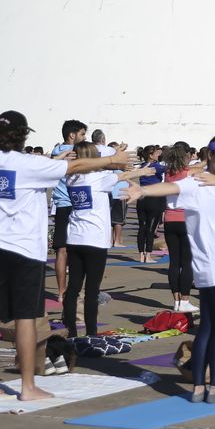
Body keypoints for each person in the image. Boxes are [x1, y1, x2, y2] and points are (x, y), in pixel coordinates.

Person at [0, 110, 129, 401]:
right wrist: (112, 161)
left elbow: (56, 167)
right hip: (23, 251)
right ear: (22, 135)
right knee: (25, 319)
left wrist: (55, 161)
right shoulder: (29, 164)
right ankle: (27, 387)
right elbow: (77, 166)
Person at [123, 135, 215, 404]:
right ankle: (213, 387)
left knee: (208, 327)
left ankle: (197, 387)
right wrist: (144, 191)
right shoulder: (196, 183)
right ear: (209, 155)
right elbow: (170, 188)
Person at [63, 142, 154, 337]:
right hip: (95, 239)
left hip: (75, 237)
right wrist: (143, 172)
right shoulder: (100, 178)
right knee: (92, 289)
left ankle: (70, 331)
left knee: (73, 288)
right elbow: (123, 175)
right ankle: (91, 332)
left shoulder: (71, 178)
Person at [49, 119, 88, 295]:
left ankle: (61, 291)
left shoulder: (56, 153)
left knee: (61, 250)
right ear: (72, 135)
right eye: (82, 134)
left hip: (62, 205)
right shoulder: (75, 153)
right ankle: (73, 291)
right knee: (76, 250)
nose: (84, 137)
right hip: (73, 205)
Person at [161, 144, 197, 311]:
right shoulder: (188, 173)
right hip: (185, 220)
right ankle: (184, 300)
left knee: (174, 262)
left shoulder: (168, 173)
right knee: (187, 262)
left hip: (170, 219)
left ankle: (176, 300)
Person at [135, 145, 167, 263]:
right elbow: (169, 169)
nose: (158, 154)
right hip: (153, 198)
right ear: (150, 155)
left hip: (141, 198)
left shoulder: (142, 166)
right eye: (156, 152)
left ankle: (141, 254)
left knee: (142, 227)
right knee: (150, 228)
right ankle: (148, 255)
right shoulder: (156, 166)